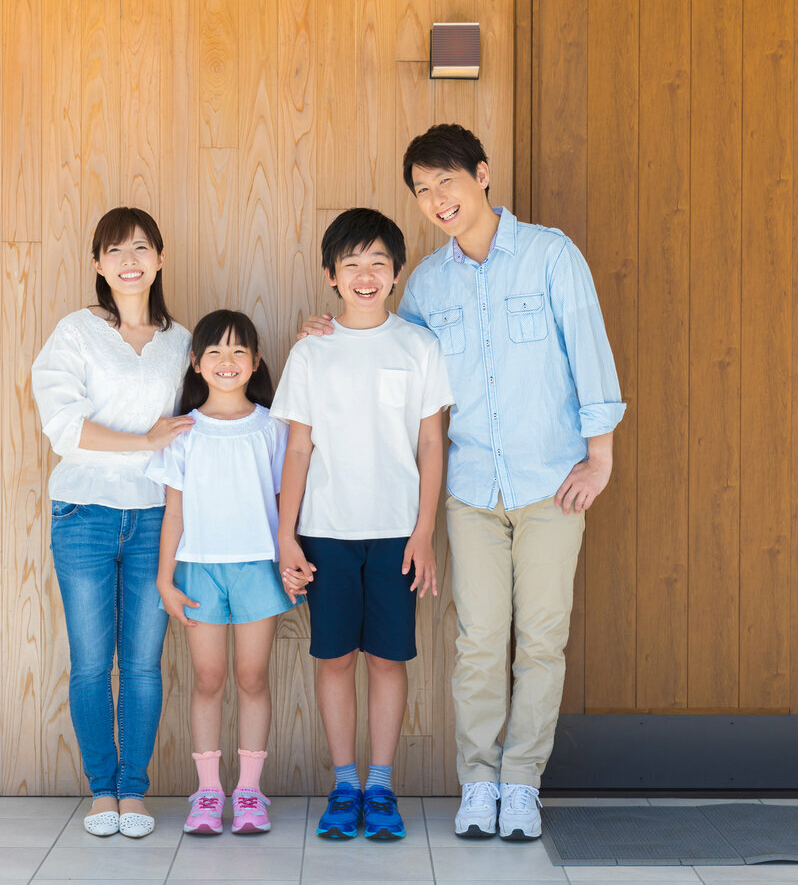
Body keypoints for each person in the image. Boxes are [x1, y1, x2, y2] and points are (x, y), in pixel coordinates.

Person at [301, 124, 625, 841]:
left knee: (540, 641)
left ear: (481, 174)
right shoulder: (426, 283)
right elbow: (390, 350)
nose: (436, 198)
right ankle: (479, 782)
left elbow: (590, 349)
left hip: (552, 484)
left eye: (445, 180)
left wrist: (599, 457)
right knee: (479, 640)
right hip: (471, 488)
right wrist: (327, 332)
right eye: (422, 190)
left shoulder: (550, 254)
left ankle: (522, 783)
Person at [273, 208, 453, 841]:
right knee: (334, 658)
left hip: (398, 533)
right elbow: (298, 448)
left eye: (378, 261)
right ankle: (344, 783)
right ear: (331, 275)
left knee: (387, 659)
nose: (365, 274)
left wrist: (424, 530)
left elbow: (431, 443)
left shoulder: (419, 346)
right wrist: (286, 535)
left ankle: (380, 785)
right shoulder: (310, 351)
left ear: (397, 272)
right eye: (351, 263)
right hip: (325, 531)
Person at [32, 206, 194, 839]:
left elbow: (225, 392)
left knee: (145, 664)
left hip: (156, 516)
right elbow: (63, 429)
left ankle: (134, 791)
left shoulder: (180, 341)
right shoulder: (76, 332)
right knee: (92, 663)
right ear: (98, 264)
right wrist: (145, 440)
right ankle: (102, 790)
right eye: (116, 250)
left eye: (142, 247)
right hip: (84, 513)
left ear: (160, 259)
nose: (130, 260)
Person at [148, 309, 297, 836]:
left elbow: (287, 502)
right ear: (195, 362)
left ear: (256, 361)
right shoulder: (183, 432)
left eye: (238, 351)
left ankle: (250, 792)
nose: (226, 361)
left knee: (252, 678)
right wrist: (165, 579)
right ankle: (209, 792)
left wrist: (292, 559)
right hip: (198, 571)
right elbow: (173, 513)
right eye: (214, 351)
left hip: (259, 568)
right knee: (208, 679)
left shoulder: (273, 427)